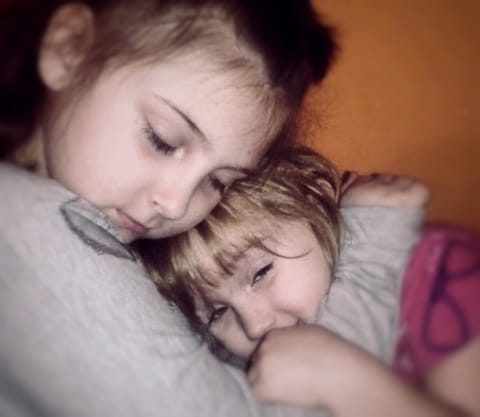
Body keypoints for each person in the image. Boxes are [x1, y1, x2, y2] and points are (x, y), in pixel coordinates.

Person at [136, 145, 480, 417]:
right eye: (218, 312)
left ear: (315, 198)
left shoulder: (439, 274)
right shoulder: (233, 364)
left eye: (260, 273)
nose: (255, 325)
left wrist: (349, 384)